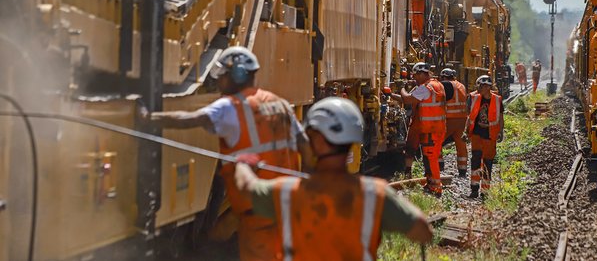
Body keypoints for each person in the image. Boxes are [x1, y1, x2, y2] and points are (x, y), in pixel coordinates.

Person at [143, 46, 311, 261]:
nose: (219, 82)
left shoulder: (229, 106)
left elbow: (189, 119)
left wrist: (150, 118)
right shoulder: (280, 104)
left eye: (222, 76)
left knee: (231, 238)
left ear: (237, 76)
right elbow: (305, 146)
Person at [234, 97, 433, 260]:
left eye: (309, 137)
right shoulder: (375, 195)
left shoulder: (288, 192)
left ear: (318, 142)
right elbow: (422, 231)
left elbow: (246, 188)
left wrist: (243, 164)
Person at [391, 62, 446, 196]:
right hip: (438, 127)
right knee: (429, 157)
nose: (414, 78)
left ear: (422, 74)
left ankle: (436, 187)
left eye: (415, 75)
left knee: (431, 158)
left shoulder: (425, 88)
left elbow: (407, 99)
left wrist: (402, 88)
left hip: (430, 129)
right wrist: (392, 95)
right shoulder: (437, 85)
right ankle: (431, 183)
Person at [462, 75, 504, 199]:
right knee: (475, 160)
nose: (478, 89)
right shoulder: (474, 97)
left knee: (487, 163)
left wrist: (501, 132)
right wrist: (466, 131)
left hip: (490, 135)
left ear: (487, 87)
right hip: (477, 134)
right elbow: (470, 116)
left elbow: (501, 118)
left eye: (480, 86)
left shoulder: (497, 100)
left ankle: (485, 192)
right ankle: (474, 189)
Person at [438, 68, 469, 177]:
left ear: (443, 76)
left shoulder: (445, 85)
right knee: (461, 144)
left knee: (438, 141)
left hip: (449, 118)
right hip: (462, 119)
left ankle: (439, 165)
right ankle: (462, 170)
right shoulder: (461, 86)